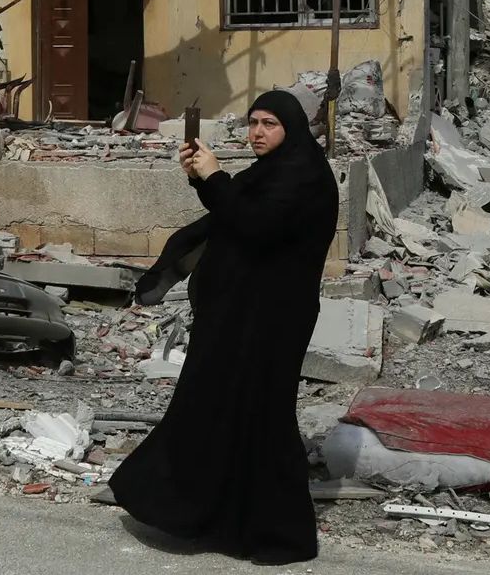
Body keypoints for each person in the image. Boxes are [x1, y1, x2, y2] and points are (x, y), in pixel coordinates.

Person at [107, 89, 339, 566]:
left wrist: (215, 177)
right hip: (240, 314)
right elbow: (233, 212)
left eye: (269, 124)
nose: (257, 133)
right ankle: (204, 516)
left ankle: (280, 536)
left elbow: (255, 225)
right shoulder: (272, 171)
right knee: (217, 407)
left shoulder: (305, 175)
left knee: (265, 416)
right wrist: (203, 179)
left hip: (274, 318)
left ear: (292, 128)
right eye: (253, 122)